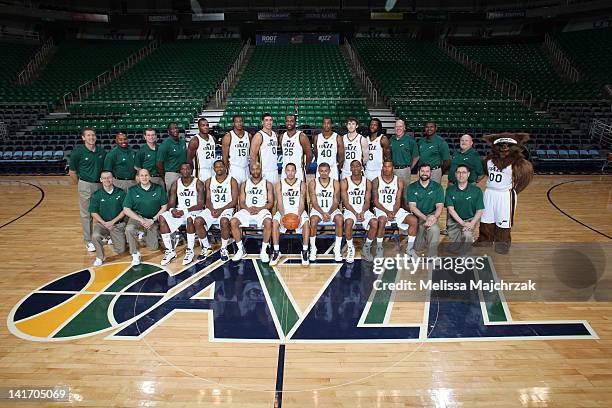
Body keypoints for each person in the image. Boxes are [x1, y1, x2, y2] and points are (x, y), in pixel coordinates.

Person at [158, 162, 206, 266]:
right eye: (183, 169)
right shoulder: (176, 183)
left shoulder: (198, 183)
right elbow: (171, 203)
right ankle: (170, 251)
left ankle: (190, 250)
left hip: (194, 211)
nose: (185, 171)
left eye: (188, 169)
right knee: (162, 217)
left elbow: (200, 204)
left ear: (192, 170)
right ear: (180, 171)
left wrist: (184, 211)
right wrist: (172, 211)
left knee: (189, 218)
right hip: (180, 212)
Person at [68, 127, 106, 252]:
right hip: (85, 184)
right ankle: (88, 241)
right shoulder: (77, 153)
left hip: (100, 185)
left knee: (103, 212)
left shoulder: (101, 151)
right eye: (88, 135)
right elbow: (72, 172)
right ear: (83, 137)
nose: (91, 137)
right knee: (86, 214)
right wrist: (80, 184)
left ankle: (104, 234)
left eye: (93, 135)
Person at [194, 160, 239, 262]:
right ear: (214, 169)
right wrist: (211, 209)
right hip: (212, 209)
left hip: (226, 208)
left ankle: (224, 248)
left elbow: (234, 201)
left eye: (221, 166)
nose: (219, 169)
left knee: (224, 221)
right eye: (217, 167)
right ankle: (206, 247)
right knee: (197, 221)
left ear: (225, 167)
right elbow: (208, 199)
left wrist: (221, 210)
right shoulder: (209, 181)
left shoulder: (232, 181)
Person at [372, 159, 418, 258]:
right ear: (382, 168)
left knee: (413, 220)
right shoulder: (376, 181)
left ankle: (409, 249)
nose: (387, 169)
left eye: (389, 166)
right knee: (382, 220)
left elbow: (398, 199)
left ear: (392, 168)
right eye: (385, 166)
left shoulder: (399, 181)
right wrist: (387, 212)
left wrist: (393, 212)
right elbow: (375, 201)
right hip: (381, 209)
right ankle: (379, 248)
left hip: (394, 209)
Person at [230, 162, 274, 262]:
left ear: (261, 169)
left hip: (262, 210)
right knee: (233, 221)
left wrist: (259, 209)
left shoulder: (268, 184)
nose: (255, 171)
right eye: (253, 169)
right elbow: (241, 202)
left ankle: (263, 250)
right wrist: (248, 209)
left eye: (257, 169)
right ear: (250, 171)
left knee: (268, 222)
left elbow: (271, 203)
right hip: (247, 210)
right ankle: (241, 249)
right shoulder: (244, 184)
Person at [123, 168, 168, 266]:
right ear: (138, 177)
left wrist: (153, 219)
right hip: (138, 218)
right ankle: (135, 254)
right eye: (141, 175)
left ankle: (143, 234)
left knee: (153, 247)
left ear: (150, 176)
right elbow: (126, 209)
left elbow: (164, 207)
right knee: (129, 229)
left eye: (146, 175)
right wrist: (141, 220)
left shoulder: (158, 188)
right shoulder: (132, 190)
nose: (144, 177)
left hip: (153, 219)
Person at [270, 163, 310, 267]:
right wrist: (283, 216)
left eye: (292, 170)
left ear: (296, 171)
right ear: (285, 172)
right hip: (283, 210)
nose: (290, 172)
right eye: (288, 170)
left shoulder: (302, 184)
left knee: (306, 223)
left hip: (298, 210)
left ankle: (305, 251)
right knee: (274, 222)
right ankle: (276, 251)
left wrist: (299, 215)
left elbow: (302, 202)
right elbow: (279, 202)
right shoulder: (279, 184)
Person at [341, 160, 378, 263]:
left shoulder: (367, 182)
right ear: (350, 168)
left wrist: (362, 212)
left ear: (361, 168)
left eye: (358, 166)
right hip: (350, 210)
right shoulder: (344, 182)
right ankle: (350, 248)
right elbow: (346, 203)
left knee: (374, 223)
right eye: (353, 166)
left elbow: (367, 201)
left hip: (364, 209)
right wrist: (356, 213)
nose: (355, 168)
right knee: (348, 223)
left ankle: (366, 248)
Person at [407, 164, 445, 257]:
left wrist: (434, 217)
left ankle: (432, 255)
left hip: (432, 216)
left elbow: (440, 206)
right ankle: (423, 241)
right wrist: (425, 218)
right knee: (418, 247)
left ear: (431, 173)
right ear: (418, 172)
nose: (425, 173)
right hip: (418, 218)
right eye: (422, 171)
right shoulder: (412, 187)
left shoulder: (437, 187)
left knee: (435, 229)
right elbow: (412, 207)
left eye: (427, 171)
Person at [445, 164, 484, 254]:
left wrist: (471, 223)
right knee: (454, 248)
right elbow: (451, 210)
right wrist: (463, 223)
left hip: (470, 220)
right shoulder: (450, 190)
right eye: (458, 172)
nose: (461, 175)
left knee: (467, 235)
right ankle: (463, 242)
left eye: (464, 172)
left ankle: (466, 253)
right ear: (455, 174)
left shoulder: (476, 190)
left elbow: (480, 210)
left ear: (468, 174)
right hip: (454, 222)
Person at [89, 170, 127, 266]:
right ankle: (99, 257)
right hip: (103, 224)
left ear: (112, 179)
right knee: (95, 236)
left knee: (121, 250)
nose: (107, 180)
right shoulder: (96, 195)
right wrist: (104, 223)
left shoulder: (121, 192)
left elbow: (125, 210)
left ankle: (113, 237)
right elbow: (93, 212)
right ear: (101, 180)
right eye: (104, 178)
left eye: (109, 177)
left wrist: (113, 222)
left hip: (117, 224)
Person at [308, 162, 343, 262]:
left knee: (340, 220)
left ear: (329, 171)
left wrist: (329, 212)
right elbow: (313, 201)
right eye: (321, 171)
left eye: (326, 171)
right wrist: (323, 213)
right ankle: (313, 248)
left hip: (332, 209)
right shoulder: (313, 183)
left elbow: (336, 201)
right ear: (318, 171)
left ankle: (337, 249)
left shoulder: (335, 183)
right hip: (318, 210)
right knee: (313, 221)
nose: (323, 173)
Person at [280, 114, 312, 181]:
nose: (289, 123)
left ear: (295, 122)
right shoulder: (282, 137)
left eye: (291, 121)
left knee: (301, 191)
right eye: (287, 121)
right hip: (285, 171)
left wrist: (305, 168)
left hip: (298, 171)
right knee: (284, 191)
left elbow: (309, 155)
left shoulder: (302, 136)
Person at [156, 122, 187, 192]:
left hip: (183, 174)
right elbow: (159, 163)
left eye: (176, 128)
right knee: (172, 199)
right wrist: (164, 177)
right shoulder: (165, 144)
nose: (175, 130)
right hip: (172, 174)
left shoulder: (182, 142)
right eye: (172, 129)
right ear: (168, 131)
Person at [250, 113, 279, 185]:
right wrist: (256, 172)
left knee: (274, 195)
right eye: (266, 120)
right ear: (262, 122)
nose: (269, 122)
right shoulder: (259, 136)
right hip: (264, 171)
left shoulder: (275, 134)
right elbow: (253, 156)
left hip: (275, 170)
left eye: (270, 120)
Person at [221, 115, 250, 185]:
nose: (239, 123)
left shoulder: (248, 136)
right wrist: (226, 169)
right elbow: (224, 156)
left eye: (240, 121)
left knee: (246, 193)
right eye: (236, 122)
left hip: (246, 168)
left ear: (243, 122)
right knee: (234, 193)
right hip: (234, 168)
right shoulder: (228, 136)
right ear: (233, 123)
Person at [389, 119, 419, 186]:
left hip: (404, 170)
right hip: (392, 170)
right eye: (396, 126)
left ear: (404, 128)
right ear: (394, 128)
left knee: (404, 192)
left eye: (400, 126)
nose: (398, 128)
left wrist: (409, 168)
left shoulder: (410, 140)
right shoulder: (391, 140)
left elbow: (416, 157)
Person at [187, 118, 216, 182]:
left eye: (207, 125)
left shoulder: (213, 138)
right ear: (199, 127)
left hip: (212, 170)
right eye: (203, 125)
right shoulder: (195, 140)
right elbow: (189, 159)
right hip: (201, 171)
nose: (206, 127)